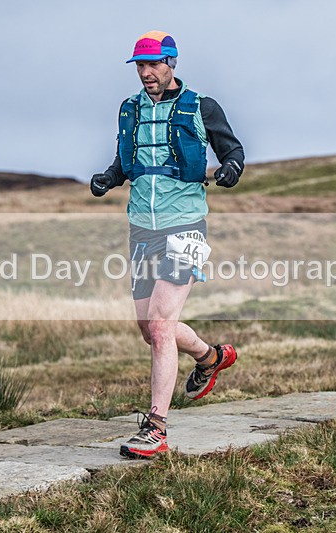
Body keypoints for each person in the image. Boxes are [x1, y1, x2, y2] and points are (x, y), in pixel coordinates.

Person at [90, 31, 245, 459]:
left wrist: (231, 167)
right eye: (140, 66)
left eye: (153, 64)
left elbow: (232, 148)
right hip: (142, 228)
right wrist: (110, 176)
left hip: (186, 226)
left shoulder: (201, 106)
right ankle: (210, 357)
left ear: (171, 63)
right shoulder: (130, 109)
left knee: (160, 325)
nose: (145, 73)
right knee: (150, 330)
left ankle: (155, 428)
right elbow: (129, 156)